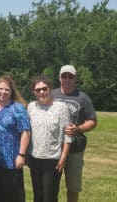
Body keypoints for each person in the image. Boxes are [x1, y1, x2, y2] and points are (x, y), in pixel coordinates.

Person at [51, 65, 97, 202]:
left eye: (70, 77)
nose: (67, 79)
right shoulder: (52, 95)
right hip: (54, 148)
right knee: (51, 185)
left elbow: (92, 121)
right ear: (59, 78)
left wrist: (78, 129)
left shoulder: (83, 98)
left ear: (75, 79)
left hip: (75, 148)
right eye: (64, 76)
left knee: (73, 186)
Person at [0, 76, 31, 202]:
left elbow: (26, 132)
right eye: (1, 88)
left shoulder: (17, 108)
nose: (3, 92)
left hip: (12, 160)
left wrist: (21, 155)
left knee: (14, 195)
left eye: (7, 90)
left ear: (12, 92)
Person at [27, 75, 72, 202]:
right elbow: (27, 132)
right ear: (33, 92)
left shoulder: (61, 108)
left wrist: (63, 158)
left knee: (49, 196)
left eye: (44, 88)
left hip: (53, 159)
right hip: (34, 158)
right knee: (38, 194)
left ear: (50, 89)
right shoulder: (31, 107)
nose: (41, 92)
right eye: (38, 90)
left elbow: (67, 135)